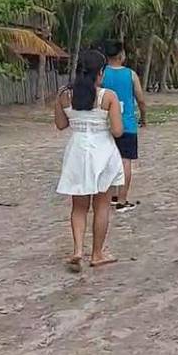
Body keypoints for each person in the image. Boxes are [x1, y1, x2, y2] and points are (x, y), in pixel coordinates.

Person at [55, 50, 124, 272]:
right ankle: (97, 253)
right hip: (102, 151)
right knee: (101, 204)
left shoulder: (64, 95)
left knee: (78, 206)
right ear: (100, 73)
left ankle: (77, 249)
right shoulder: (108, 96)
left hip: (77, 151)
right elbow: (117, 131)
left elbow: (60, 124)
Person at [102, 40, 147, 212]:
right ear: (121, 55)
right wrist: (143, 118)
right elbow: (141, 100)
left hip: (106, 124)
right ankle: (122, 199)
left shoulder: (102, 74)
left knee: (108, 161)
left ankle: (110, 195)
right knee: (125, 161)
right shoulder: (131, 75)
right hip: (127, 124)